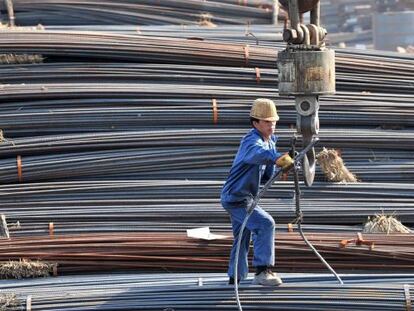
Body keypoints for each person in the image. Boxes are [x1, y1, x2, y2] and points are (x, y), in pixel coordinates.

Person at [221, 98, 293, 286]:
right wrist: (278, 158)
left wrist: (283, 163)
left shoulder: (270, 141)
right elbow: (257, 155)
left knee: (242, 235)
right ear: (255, 123)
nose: (272, 125)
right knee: (266, 223)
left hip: (244, 197)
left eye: (274, 121)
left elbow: (266, 172)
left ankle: (234, 278)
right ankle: (263, 271)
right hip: (236, 198)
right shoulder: (250, 141)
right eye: (268, 122)